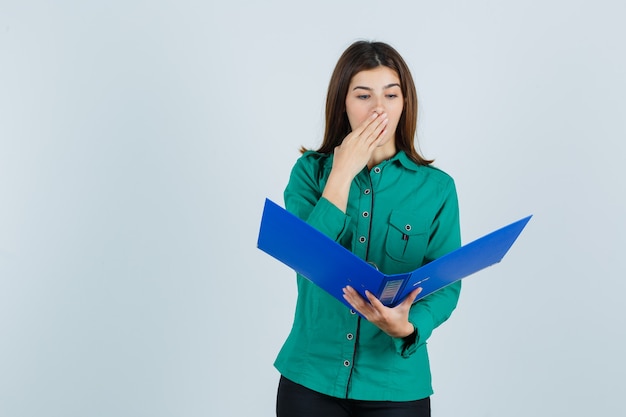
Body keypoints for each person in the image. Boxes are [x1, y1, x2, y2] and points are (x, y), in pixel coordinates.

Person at [274, 40, 461, 417]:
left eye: (391, 94)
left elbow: (447, 285)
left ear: (404, 102)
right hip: (310, 379)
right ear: (342, 102)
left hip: (396, 386)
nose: (379, 108)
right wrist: (341, 173)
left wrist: (408, 327)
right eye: (363, 95)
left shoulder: (437, 188)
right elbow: (304, 257)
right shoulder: (310, 174)